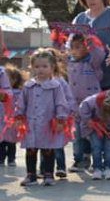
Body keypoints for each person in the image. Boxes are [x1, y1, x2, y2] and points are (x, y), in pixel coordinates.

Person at [16, 50, 70, 186]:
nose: (41, 69)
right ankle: (31, 175)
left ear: (52, 67)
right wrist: (18, 116)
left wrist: (60, 119)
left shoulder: (56, 86)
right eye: (37, 66)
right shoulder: (28, 86)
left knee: (48, 149)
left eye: (44, 66)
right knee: (31, 149)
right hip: (31, 124)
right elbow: (21, 102)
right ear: (32, 67)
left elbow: (61, 103)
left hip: (48, 124)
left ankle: (48, 174)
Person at [65, 33, 104, 171]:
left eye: (78, 47)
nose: (74, 50)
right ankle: (79, 160)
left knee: (92, 134)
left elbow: (99, 55)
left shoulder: (92, 62)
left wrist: (92, 43)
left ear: (86, 48)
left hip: (92, 106)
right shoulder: (69, 62)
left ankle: (97, 160)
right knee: (77, 135)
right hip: (75, 105)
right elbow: (58, 54)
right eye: (72, 47)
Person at [0, 64, 24, 166]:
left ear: (14, 80)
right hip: (2, 119)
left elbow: (20, 105)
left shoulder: (18, 93)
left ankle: (11, 159)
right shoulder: (2, 92)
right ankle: (1, 159)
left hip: (12, 120)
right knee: (1, 141)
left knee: (11, 142)